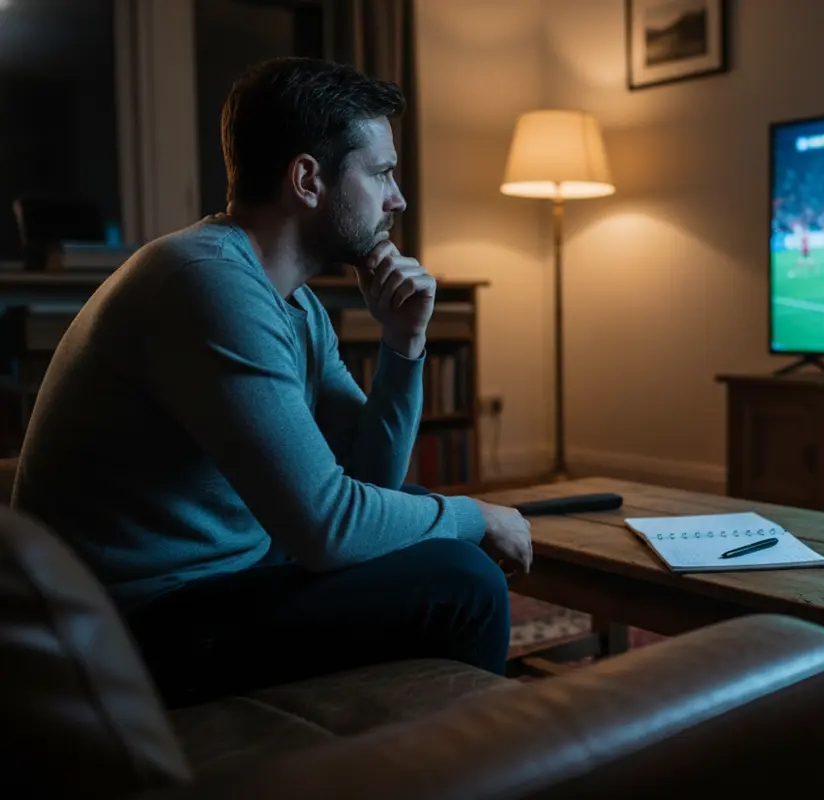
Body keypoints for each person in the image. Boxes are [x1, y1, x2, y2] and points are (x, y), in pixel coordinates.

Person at [9, 57, 532, 708]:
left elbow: (370, 482)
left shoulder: (294, 304)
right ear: (308, 179)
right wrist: (471, 517)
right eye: (381, 174)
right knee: (462, 577)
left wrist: (403, 343)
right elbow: (328, 526)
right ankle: (480, 769)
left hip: (220, 581)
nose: (397, 199)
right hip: (127, 627)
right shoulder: (207, 283)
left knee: (421, 522)